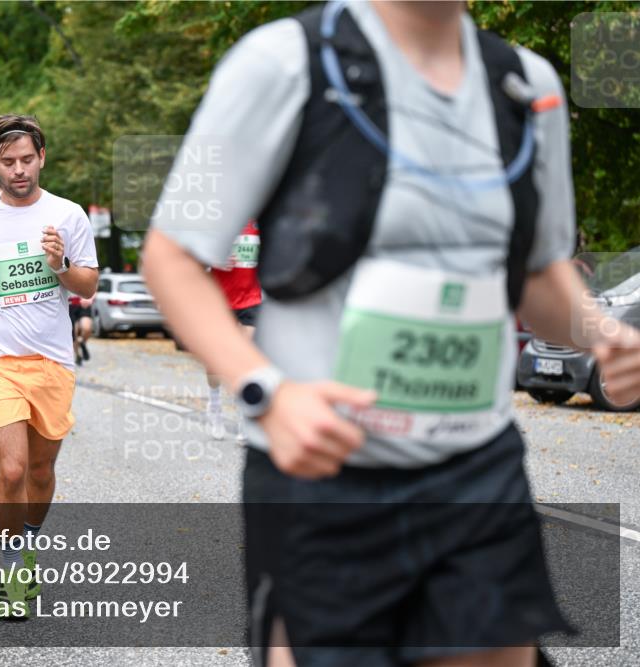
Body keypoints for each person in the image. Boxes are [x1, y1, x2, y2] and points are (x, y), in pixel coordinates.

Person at [143, 2, 640, 666]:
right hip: (325, 476)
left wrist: (605, 334)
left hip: (475, 471)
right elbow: (171, 256)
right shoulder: (280, 62)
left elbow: (536, 277)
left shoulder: (527, 86)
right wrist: (267, 390)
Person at [0, 115, 99, 618]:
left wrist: (59, 265)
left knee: (40, 469)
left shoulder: (69, 215)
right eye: (8, 162)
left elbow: (87, 286)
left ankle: (28, 543)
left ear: (41, 158)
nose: (19, 170)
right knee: (9, 470)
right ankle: (13, 568)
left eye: (27, 160)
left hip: (53, 360)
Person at [205, 220, 262, 441]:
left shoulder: (260, 222)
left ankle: (243, 417)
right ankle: (215, 406)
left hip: (251, 298)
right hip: (219, 299)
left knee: (247, 358)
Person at [68, 294, 95, 366]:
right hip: (69, 304)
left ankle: (82, 343)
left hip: (83, 302)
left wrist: (91, 298)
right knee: (74, 333)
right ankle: (78, 355)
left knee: (87, 327)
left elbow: (95, 284)